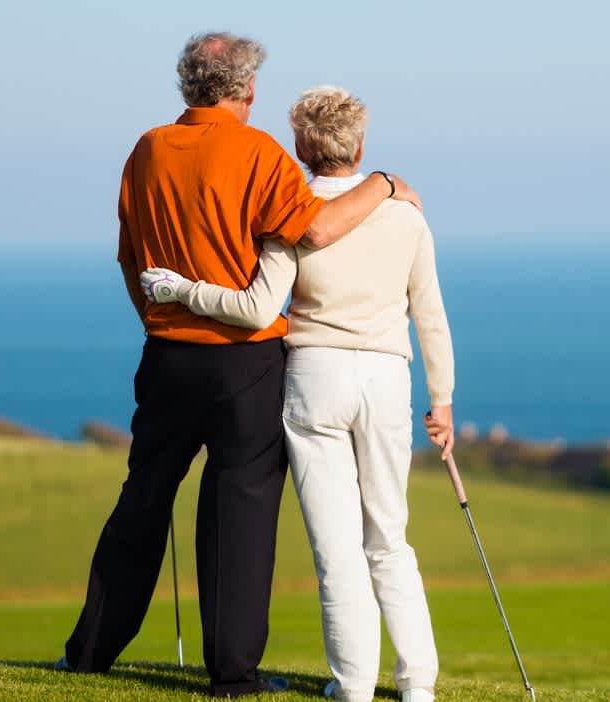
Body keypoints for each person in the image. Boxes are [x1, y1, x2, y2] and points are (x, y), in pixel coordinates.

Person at [57, 33, 421, 698]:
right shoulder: (260, 153)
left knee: (142, 501)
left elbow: (130, 258)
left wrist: (159, 324)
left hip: (166, 355)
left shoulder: (146, 150)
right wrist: (385, 184)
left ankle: (88, 654)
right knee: (240, 517)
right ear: (247, 91)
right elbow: (314, 230)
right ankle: (232, 676)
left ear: (186, 86)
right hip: (245, 364)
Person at [140, 85, 454, 702]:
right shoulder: (407, 215)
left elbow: (256, 310)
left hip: (314, 381)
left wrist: (179, 290)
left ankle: (355, 685)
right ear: (359, 144)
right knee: (389, 537)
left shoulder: (295, 214)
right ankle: (418, 684)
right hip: (387, 381)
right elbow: (431, 314)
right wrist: (441, 402)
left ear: (301, 149)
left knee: (337, 546)